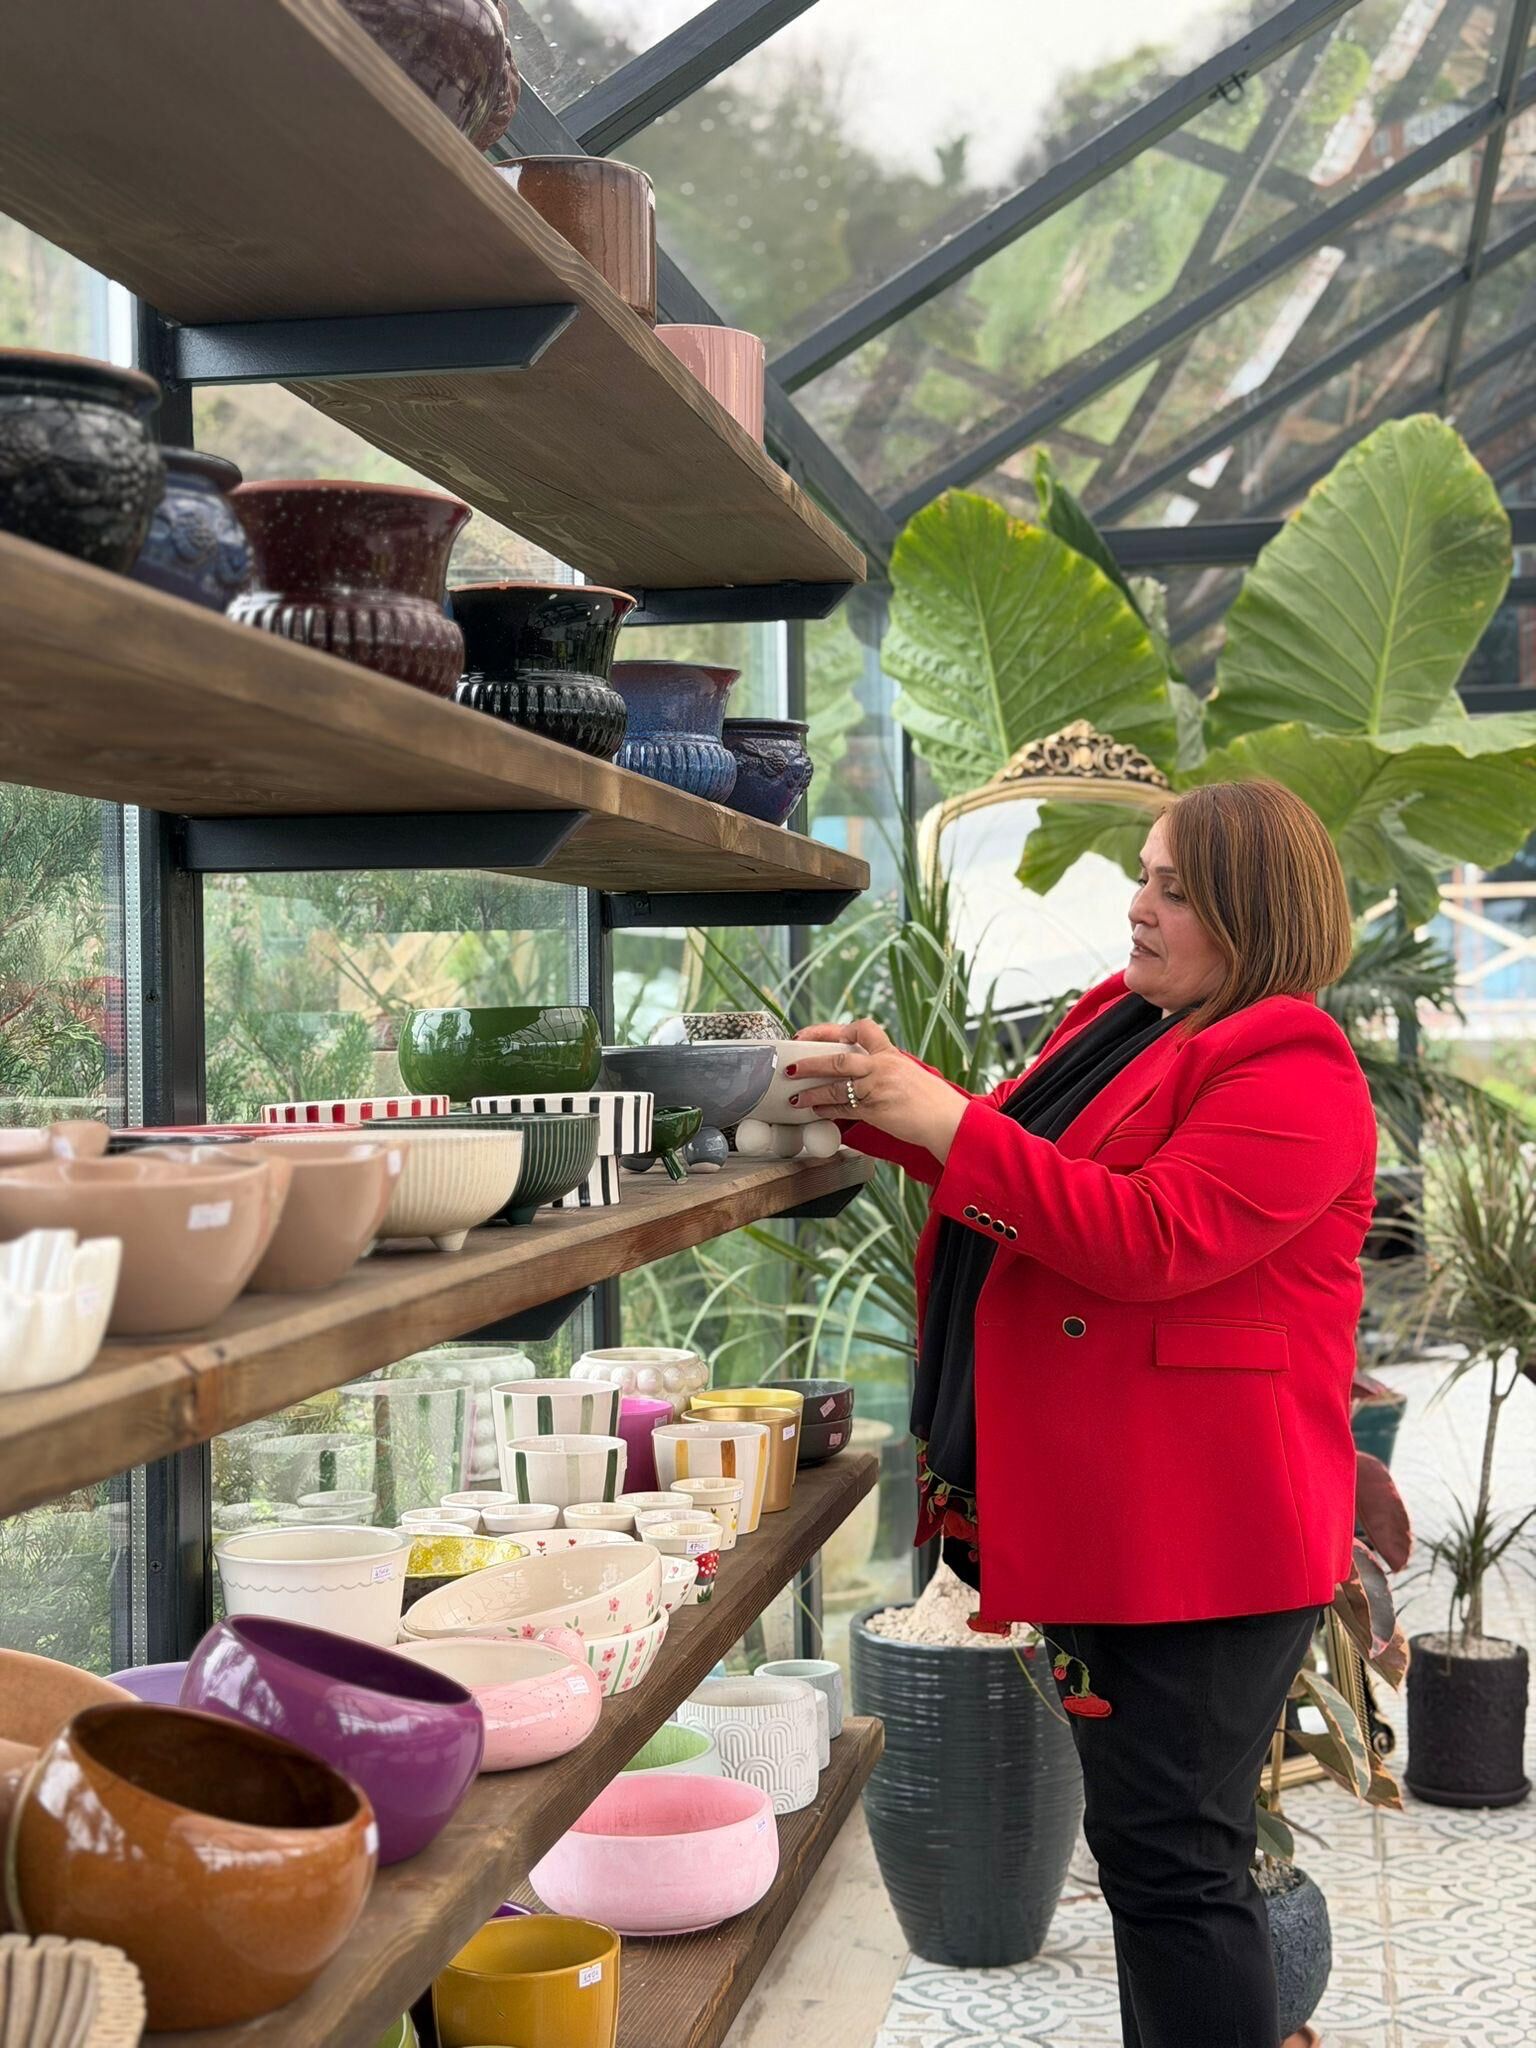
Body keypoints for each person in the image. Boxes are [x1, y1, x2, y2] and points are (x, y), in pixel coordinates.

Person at [787, 779, 1375, 2048]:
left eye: (1176, 888)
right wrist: (882, 1097)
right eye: (1145, 876)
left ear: (1255, 913)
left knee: (1176, 1861)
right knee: (1153, 1852)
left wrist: (944, 1121)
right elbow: (1024, 1158)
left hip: (1211, 1532)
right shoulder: (1129, 1019)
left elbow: (1150, 1234)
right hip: (1132, 1514)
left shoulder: (1294, 1061)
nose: (1139, 905)